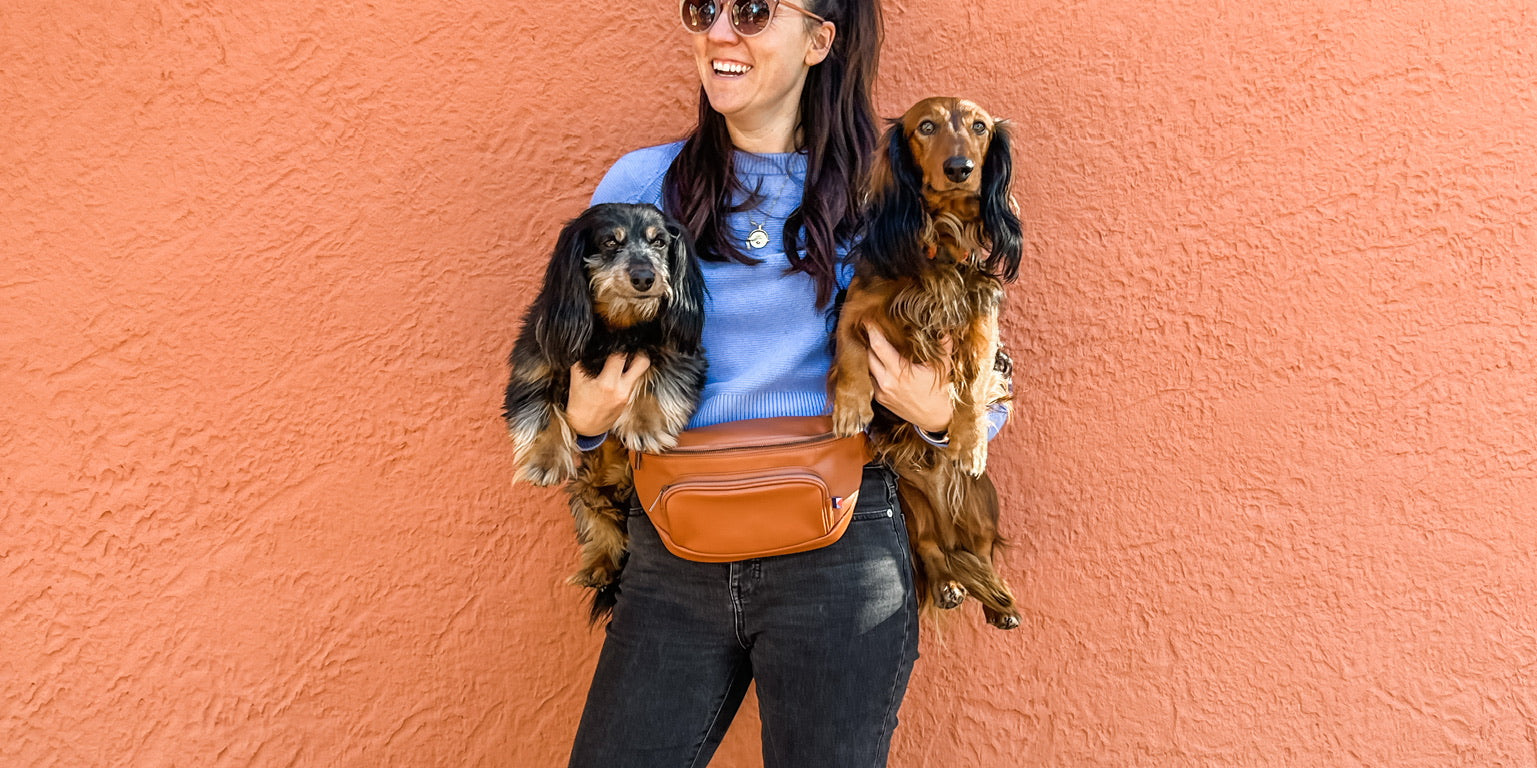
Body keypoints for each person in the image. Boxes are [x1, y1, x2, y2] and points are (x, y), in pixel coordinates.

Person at [560, 1, 1001, 764]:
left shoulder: (886, 183)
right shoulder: (643, 182)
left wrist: (939, 414)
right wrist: (584, 418)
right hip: (671, 540)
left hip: (840, 551)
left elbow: (977, 355)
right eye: (704, 9)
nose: (720, 33)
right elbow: (575, 348)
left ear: (819, 40)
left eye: (755, 11)